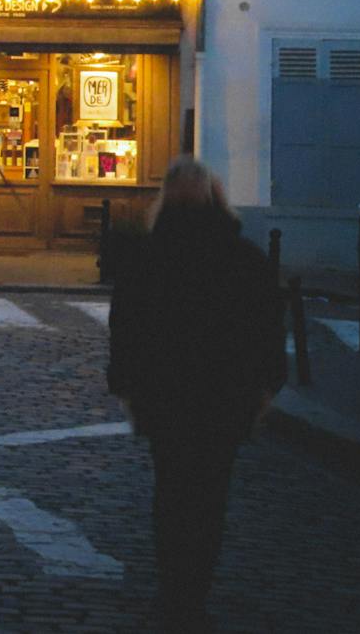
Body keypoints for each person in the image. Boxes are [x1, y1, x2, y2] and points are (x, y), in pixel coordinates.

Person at [107, 157, 286, 633]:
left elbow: (125, 327)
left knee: (170, 492)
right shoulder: (244, 257)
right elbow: (268, 324)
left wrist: (124, 385)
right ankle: (195, 589)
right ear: (215, 197)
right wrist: (267, 384)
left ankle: (173, 589)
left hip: (165, 396)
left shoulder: (147, 257)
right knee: (211, 495)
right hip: (224, 396)